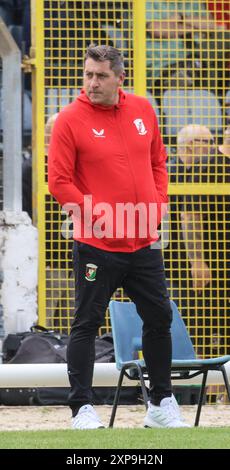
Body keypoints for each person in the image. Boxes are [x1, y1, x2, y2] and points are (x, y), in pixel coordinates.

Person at [48, 44, 190, 429]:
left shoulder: (143, 109)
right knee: (86, 322)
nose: (91, 83)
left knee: (159, 316)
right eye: (87, 74)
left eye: (100, 76)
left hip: (144, 240)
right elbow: (58, 182)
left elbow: (159, 160)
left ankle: (161, 403)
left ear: (119, 78)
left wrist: (159, 202)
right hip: (97, 243)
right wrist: (99, 219)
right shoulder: (68, 120)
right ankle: (82, 409)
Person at [167, 124, 230, 358]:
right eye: (208, 143)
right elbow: (190, 216)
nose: (212, 148)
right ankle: (195, 388)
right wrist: (197, 260)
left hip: (212, 264)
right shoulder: (201, 169)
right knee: (197, 322)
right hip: (187, 264)